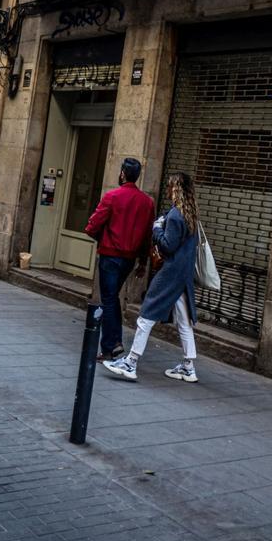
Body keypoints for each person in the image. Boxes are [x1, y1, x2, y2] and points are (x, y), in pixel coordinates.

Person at [104, 172, 201, 383]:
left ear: (176, 190)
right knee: (184, 323)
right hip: (183, 277)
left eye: (170, 186)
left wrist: (156, 229)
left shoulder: (176, 216)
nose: (167, 190)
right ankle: (188, 367)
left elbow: (167, 246)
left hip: (170, 275)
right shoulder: (191, 216)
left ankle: (130, 362)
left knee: (145, 317)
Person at [84, 158, 155, 361]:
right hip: (129, 259)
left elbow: (91, 226)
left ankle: (111, 345)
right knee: (112, 297)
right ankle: (113, 342)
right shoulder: (147, 202)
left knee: (108, 298)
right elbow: (147, 236)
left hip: (110, 256)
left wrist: (104, 239)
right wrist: (142, 262)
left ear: (123, 173)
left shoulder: (112, 196)